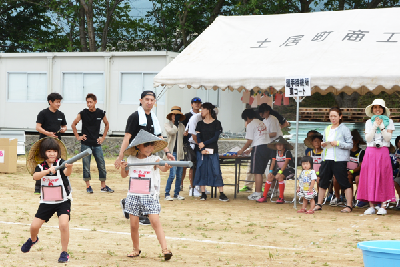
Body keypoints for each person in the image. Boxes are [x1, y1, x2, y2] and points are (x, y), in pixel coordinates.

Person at [115, 91, 174, 225]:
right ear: (141, 100)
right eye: (147, 99)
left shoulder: (153, 118)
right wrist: (120, 156)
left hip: (150, 154)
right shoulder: (135, 117)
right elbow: (127, 137)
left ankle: (134, 206)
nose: (149, 102)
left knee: (151, 180)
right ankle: (139, 212)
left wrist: (167, 152)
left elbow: (159, 136)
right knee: (139, 181)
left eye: (152, 100)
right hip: (136, 155)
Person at [120, 130, 173, 260]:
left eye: (151, 145)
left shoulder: (155, 159)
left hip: (149, 196)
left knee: (155, 222)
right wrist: (123, 167)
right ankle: (135, 249)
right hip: (133, 196)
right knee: (134, 225)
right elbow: (124, 175)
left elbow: (163, 168)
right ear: (138, 146)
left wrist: (166, 166)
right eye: (146, 145)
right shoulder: (131, 159)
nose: (149, 148)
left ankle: (165, 249)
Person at [21, 138, 73, 263]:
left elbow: (67, 173)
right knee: (34, 227)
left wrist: (69, 166)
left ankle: (64, 252)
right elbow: (35, 176)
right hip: (46, 202)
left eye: (54, 151)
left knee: (64, 224)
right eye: (49, 151)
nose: (52, 154)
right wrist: (47, 171)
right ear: (44, 153)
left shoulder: (62, 163)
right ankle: (33, 240)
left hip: (63, 201)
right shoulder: (40, 166)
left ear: (58, 152)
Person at [357, 99, 396, 215]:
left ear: (383, 109)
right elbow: (368, 139)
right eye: (375, 107)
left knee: (383, 176)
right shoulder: (369, 122)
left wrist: (382, 126)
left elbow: (388, 138)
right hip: (370, 151)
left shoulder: (390, 121)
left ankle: (383, 205)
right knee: (370, 176)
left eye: (380, 107)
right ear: (372, 109)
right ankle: (371, 205)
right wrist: (374, 126)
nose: (377, 109)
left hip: (383, 151)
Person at [71, 93, 113, 194]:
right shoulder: (83, 113)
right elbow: (73, 124)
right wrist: (78, 136)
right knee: (86, 165)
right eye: (87, 102)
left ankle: (103, 186)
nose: (89, 104)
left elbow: (107, 124)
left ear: (95, 102)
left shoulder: (100, 113)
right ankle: (88, 186)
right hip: (86, 143)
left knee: (101, 164)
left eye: (91, 102)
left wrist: (103, 137)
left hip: (97, 144)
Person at [314, 107, 353, 213]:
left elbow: (350, 145)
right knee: (323, 181)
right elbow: (326, 144)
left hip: (339, 160)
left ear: (340, 117)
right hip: (327, 158)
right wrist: (323, 144)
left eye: (335, 116)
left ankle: (349, 205)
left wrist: (338, 143)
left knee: (344, 181)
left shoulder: (344, 129)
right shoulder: (327, 129)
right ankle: (319, 204)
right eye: (331, 116)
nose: (333, 118)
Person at [194, 102, 229, 201]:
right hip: (203, 151)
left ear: (208, 110)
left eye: (203, 109)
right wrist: (202, 148)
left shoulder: (217, 123)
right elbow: (198, 137)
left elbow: (215, 137)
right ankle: (203, 193)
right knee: (202, 170)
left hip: (213, 151)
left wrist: (204, 144)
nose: (201, 112)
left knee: (216, 170)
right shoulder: (200, 123)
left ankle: (221, 193)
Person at [34, 93, 67, 194]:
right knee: (42, 164)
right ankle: (38, 186)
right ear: (50, 102)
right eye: (57, 102)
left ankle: (58, 183)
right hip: (44, 143)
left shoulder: (61, 114)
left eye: (59, 102)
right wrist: (47, 133)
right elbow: (38, 127)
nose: (59, 104)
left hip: (57, 143)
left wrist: (63, 129)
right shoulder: (43, 113)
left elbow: (65, 126)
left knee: (58, 163)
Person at [237, 109, 269, 201]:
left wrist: (242, 150)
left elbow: (250, 140)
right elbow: (261, 138)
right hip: (266, 148)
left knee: (257, 172)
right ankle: (260, 192)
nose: (246, 122)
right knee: (261, 171)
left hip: (258, 149)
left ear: (247, 117)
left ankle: (258, 193)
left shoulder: (251, 124)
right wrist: (251, 149)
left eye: (245, 120)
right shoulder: (261, 123)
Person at [332, 130, 365, 207]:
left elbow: (361, 166)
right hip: (345, 170)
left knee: (350, 177)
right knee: (335, 177)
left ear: (356, 141)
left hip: (356, 172)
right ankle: (337, 197)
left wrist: (352, 171)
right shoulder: (345, 150)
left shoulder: (361, 152)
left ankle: (352, 198)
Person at [257, 136, 295, 203]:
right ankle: (264, 197)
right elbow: (273, 163)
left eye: (281, 144)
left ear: (284, 145)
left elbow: (285, 164)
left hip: (289, 170)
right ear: (275, 146)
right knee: (270, 177)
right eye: (277, 145)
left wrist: (280, 172)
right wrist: (271, 172)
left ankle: (281, 197)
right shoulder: (274, 152)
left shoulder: (287, 152)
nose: (279, 146)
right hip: (280, 169)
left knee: (279, 177)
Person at [164, 106, 186, 201]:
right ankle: (167, 193)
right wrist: (175, 124)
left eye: (177, 115)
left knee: (179, 175)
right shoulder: (167, 124)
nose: (175, 116)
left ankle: (176, 194)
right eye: (174, 114)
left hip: (180, 153)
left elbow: (183, 135)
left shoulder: (182, 126)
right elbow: (172, 132)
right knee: (172, 175)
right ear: (171, 115)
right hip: (171, 153)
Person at [181, 97, 202, 192]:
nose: (197, 104)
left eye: (198, 103)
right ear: (191, 104)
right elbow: (182, 128)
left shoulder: (203, 115)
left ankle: (193, 185)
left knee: (196, 165)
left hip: (199, 143)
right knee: (185, 165)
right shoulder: (187, 115)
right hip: (188, 143)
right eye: (195, 103)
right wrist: (184, 133)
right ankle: (180, 184)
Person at [392, 136, 400, 210]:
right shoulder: (396, 152)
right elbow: (394, 164)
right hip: (397, 173)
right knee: (396, 181)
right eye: (399, 142)